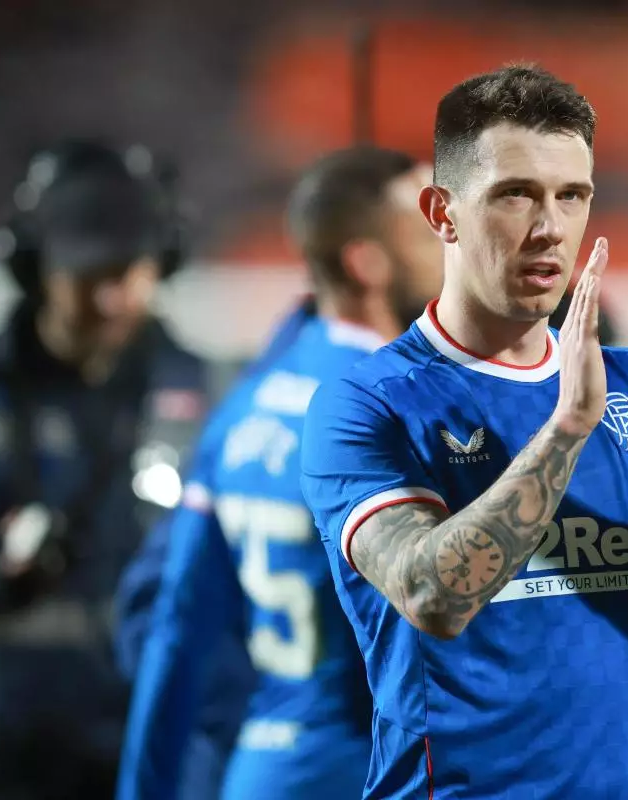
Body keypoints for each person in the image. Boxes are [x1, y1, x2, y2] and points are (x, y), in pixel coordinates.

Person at [300, 64, 628, 797]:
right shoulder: (367, 403)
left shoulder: (627, 384)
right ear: (442, 212)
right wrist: (566, 429)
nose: (550, 228)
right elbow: (432, 596)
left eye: (571, 196)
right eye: (515, 194)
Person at [116, 145, 443, 800]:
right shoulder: (397, 408)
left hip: (263, 768)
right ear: (367, 262)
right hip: (371, 770)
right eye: (425, 231)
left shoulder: (245, 403)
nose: (448, 248)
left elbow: (176, 627)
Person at [0, 140, 214, 798]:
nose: (110, 299)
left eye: (127, 272)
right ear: (34, 269)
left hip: (155, 740)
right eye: (87, 274)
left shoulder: (215, 398)